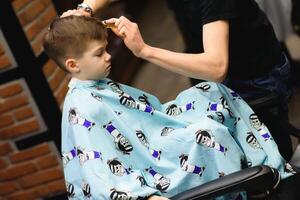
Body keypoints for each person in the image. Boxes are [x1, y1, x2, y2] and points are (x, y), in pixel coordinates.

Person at [43, 15, 295, 199]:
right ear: (73, 65)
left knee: (210, 91)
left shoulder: (93, 85)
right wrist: (148, 197)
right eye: (99, 54)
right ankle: (250, 184)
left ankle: (256, 168)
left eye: (106, 49)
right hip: (156, 166)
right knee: (206, 133)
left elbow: (144, 117)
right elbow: (98, 174)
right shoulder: (83, 108)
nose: (109, 56)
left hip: (153, 141)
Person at [62, 0, 295, 161]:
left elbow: (216, 67)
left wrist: (144, 50)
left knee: (266, 165)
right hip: (209, 82)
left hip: (253, 80)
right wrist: (86, 8)